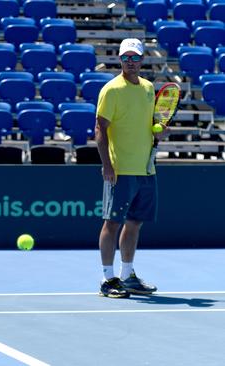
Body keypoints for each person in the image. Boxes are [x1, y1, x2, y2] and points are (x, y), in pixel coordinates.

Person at [94, 38, 170, 298]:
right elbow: (100, 129)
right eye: (126, 57)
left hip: (146, 169)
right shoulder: (111, 90)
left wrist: (158, 132)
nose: (131, 61)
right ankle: (107, 279)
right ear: (119, 59)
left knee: (134, 223)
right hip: (120, 169)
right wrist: (107, 164)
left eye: (135, 57)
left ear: (142, 60)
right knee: (112, 223)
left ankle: (127, 275)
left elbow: (150, 122)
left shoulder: (149, 88)